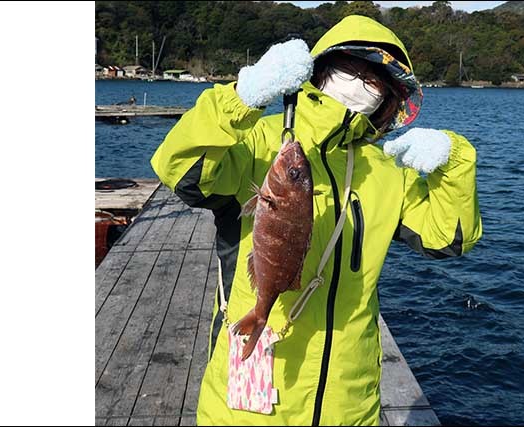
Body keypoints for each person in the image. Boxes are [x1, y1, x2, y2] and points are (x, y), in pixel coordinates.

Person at [151, 14, 482, 426]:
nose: (361, 83)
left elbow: (447, 239)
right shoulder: (256, 140)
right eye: (351, 67)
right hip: (251, 400)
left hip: (349, 401)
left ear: (390, 98)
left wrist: (455, 162)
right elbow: (179, 170)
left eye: (376, 80)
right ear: (322, 70)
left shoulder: (386, 170)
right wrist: (240, 97)